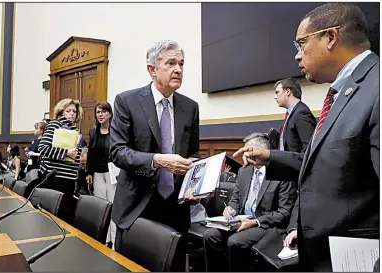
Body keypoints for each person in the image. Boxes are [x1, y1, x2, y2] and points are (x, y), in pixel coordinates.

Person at [233, 3, 379, 271]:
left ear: (330, 38)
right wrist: (269, 158)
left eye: (301, 44)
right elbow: (325, 165)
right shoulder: (341, 93)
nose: (297, 56)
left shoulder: (376, 88)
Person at [109, 40, 200, 269]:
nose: (178, 69)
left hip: (176, 207)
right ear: (152, 69)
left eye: (181, 63)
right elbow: (118, 152)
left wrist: (194, 183)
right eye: (171, 63)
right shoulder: (126, 101)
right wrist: (157, 160)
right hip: (137, 206)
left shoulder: (190, 107)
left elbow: (193, 154)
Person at [203, 133, 297, 272]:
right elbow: (235, 200)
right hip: (240, 221)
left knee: (235, 242)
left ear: (261, 152)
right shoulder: (244, 171)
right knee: (210, 235)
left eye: (247, 151)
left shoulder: (281, 174)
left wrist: (254, 222)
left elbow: (284, 212)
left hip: (265, 224)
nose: (244, 156)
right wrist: (231, 209)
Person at [38, 98, 83, 223]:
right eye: (68, 111)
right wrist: (66, 153)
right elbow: (43, 148)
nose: (72, 113)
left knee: (65, 216)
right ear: (61, 112)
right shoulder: (55, 124)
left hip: (69, 179)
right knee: (54, 217)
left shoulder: (74, 130)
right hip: (55, 178)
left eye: (74, 111)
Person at [85, 101, 116, 248]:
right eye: (98, 112)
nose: (100, 115)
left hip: (112, 174)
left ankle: (114, 241)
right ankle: (104, 240)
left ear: (110, 114)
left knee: (113, 206)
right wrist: (88, 172)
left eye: (103, 111)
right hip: (97, 173)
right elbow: (90, 154)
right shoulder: (93, 132)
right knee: (102, 207)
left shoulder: (116, 131)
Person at [274, 78, 316, 152]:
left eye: (277, 92)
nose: (275, 97)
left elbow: (308, 149)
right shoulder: (292, 112)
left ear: (287, 91)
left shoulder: (301, 113)